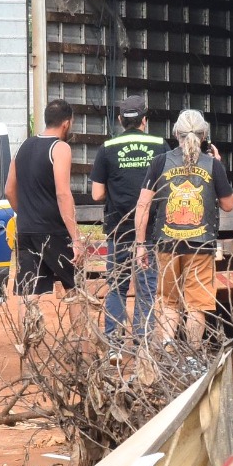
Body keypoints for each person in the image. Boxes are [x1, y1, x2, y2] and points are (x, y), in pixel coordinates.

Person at [133, 108, 233, 344]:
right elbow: (228, 204)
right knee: (196, 304)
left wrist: (140, 245)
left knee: (168, 301)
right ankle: (191, 355)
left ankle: (169, 349)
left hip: (167, 243)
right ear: (204, 136)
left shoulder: (160, 162)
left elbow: (143, 205)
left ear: (176, 133)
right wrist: (219, 166)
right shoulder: (212, 164)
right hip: (200, 245)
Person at [4, 97, 81, 340]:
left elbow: (8, 190)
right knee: (74, 290)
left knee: (29, 293)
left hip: (26, 230)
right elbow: (62, 193)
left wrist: (25, 212)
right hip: (54, 231)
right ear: (66, 123)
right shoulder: (60, 148)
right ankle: (84, 352)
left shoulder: (24, 146)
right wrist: (76, 238)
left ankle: (26, 355)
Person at [90, 95, 163, 344]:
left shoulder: (107, 148)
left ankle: (114, 344)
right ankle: (143, 344)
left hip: (118, 230)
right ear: (145, 119)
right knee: (146, 288)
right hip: (150, 232)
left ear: (120, 120)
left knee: (117, 287)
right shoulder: (160, 146)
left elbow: (97, 193)